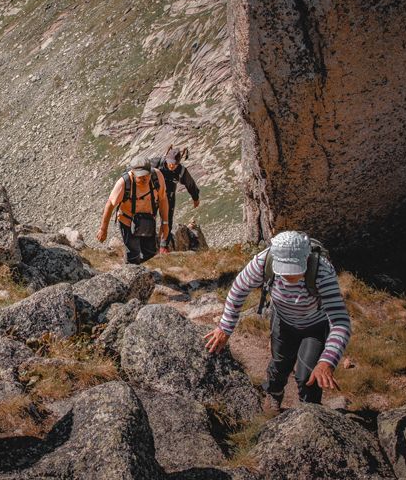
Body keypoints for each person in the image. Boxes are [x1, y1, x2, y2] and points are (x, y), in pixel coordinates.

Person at [203, 231, 352, 409]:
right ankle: (274, 394)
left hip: (315, 327)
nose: (289, 276)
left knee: (308, 376)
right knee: (279, 364)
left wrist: (327, 361)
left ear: (306, 259)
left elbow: (340, 321)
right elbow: (238, 290)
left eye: (295, 270)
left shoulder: (322, 271)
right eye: (283, 270)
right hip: (283, 321)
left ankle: (311, 411)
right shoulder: (264, 261)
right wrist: (225, 328)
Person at [95, 156, 170, 264]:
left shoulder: (157, 177)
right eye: (140, 176)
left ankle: (143, 273)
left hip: (148, 221)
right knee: (133, 255)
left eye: (146, 175)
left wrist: (165, 223)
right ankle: (130, 274)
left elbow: (163, 199)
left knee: (150, 253)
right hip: (128, 222)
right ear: (133, 173)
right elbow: (110, 204)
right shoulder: (124, 183)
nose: (144, 178)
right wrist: (103, 229)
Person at [151, 145, 200, 247]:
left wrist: (195, 198)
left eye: (175, 164)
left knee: (167, 221)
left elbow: (190, 184)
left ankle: (164, 246)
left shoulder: (181, 171)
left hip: (169, 197)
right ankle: (149, 243)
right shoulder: (157, 163)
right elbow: (141, 169)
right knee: (150, 218)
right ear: (166, 158)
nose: (172, 166)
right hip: (153, 195)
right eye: (170, 163)